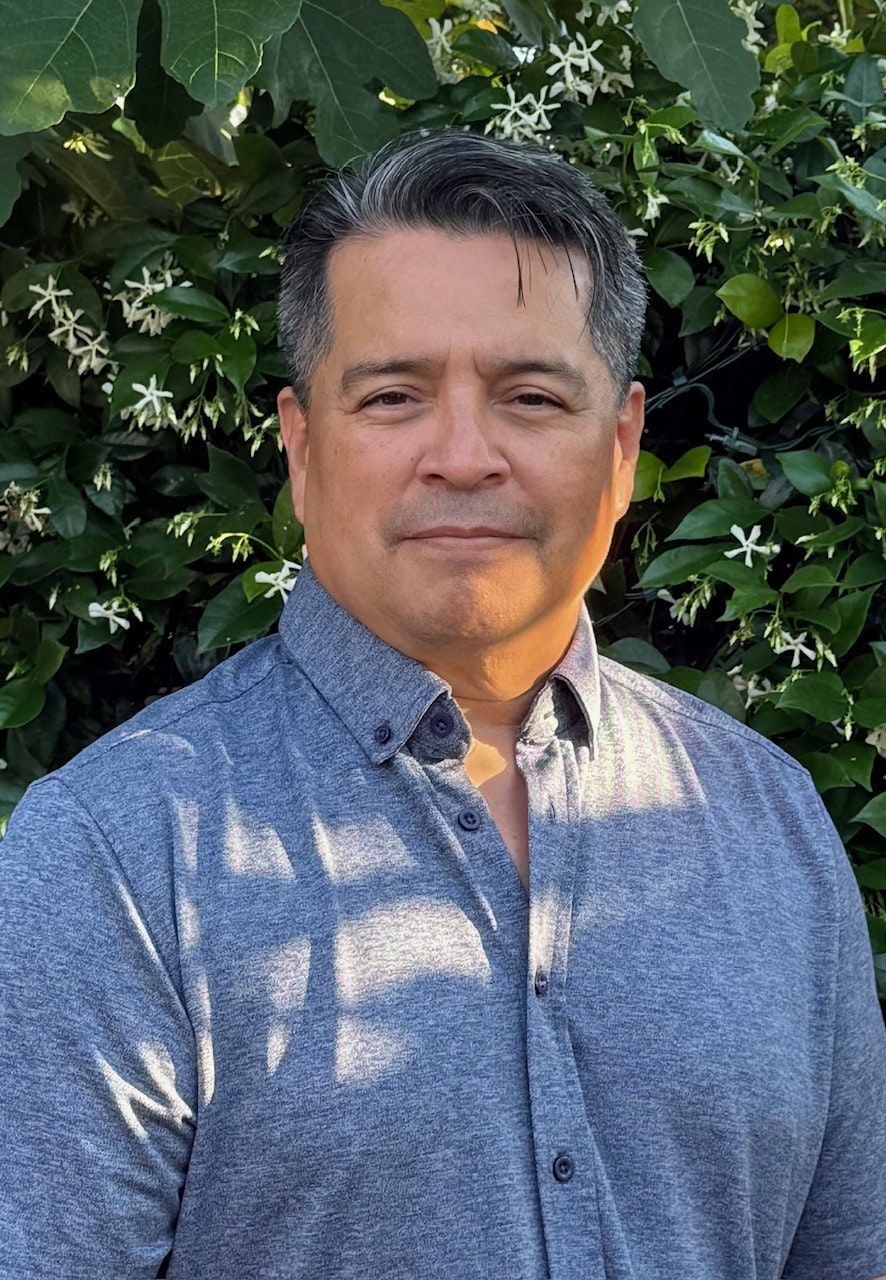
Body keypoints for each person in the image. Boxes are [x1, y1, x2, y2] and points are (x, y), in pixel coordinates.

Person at [0, 129, 884, 1280]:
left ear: (619, 449)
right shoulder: (118, 855)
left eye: (528, 394)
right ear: (301, 444)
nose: (462, 455)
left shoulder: (770, 821)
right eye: (393, 394)